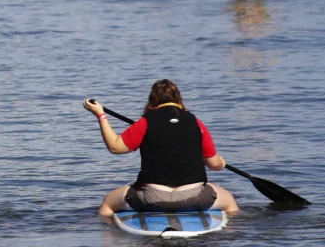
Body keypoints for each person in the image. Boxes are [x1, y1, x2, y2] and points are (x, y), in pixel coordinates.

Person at [82, 79, 239, 216]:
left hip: (152, 198)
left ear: (152, 101)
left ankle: (108, 235)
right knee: (230, 201)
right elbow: (214, 165)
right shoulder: (196, 123)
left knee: (108, 203)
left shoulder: (145, 123)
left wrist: (100, 115)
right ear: (178, 99)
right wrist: (222, 162)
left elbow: (116, 147)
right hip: (195, 197)